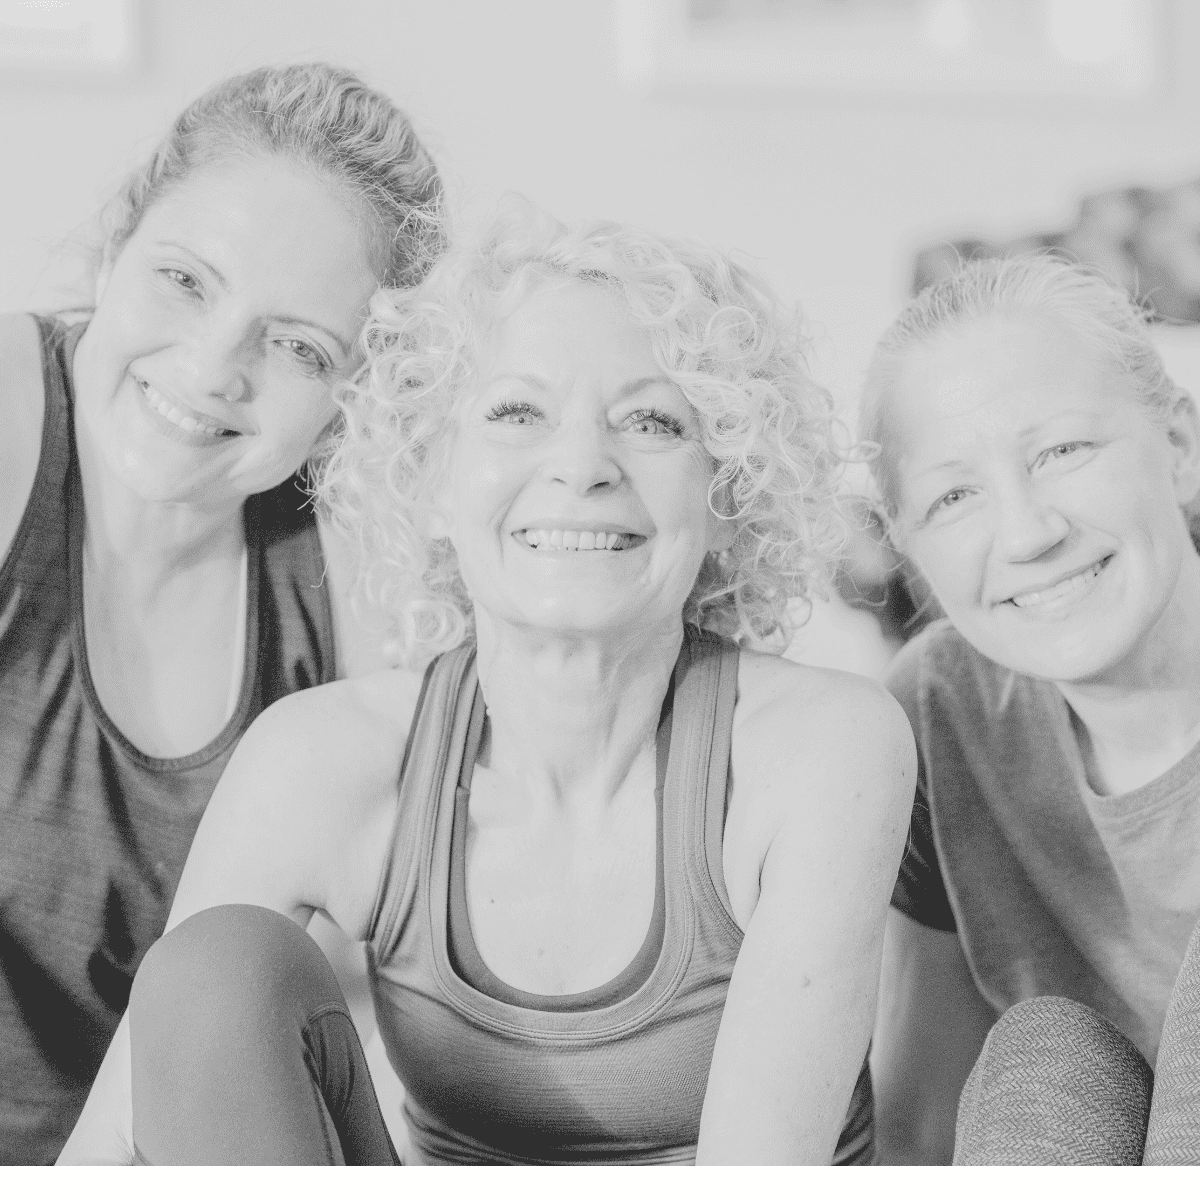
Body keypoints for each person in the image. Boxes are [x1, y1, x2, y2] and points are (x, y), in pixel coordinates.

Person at [59, 200, 915, 1165]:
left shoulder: (824, 746)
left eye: (651, 420)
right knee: (212, 972)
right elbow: (110, 1152)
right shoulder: (323, 759)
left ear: (726, 496)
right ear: (430, 480)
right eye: (517, 413)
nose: (583, 466)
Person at [0, 63, 443, 1163]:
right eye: (186, 281)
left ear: (354, 393)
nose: (211, 368)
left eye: (299, 347)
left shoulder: (348, 571)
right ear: (116, 248)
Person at [862, 255, 1200, 1163]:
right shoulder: (938, 711)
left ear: (1179, 443)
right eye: (955, 496)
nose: (1027, 533)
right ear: (908, 546)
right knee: (1043, 1053)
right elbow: (920, 1117)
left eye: (1062, 451)